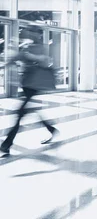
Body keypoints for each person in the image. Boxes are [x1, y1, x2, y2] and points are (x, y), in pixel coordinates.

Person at [0, 26, 58, 157]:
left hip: (34, 85)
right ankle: (51, 129)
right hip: (26, 84)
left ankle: (7, 144)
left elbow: (45, 61)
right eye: (30, 32)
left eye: (33, 32)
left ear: (38, 34)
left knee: (20, 114)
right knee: (30, 111)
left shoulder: (41, 48)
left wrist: (31, 57)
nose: (30, 34)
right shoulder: (26, 47)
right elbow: (13, 60)